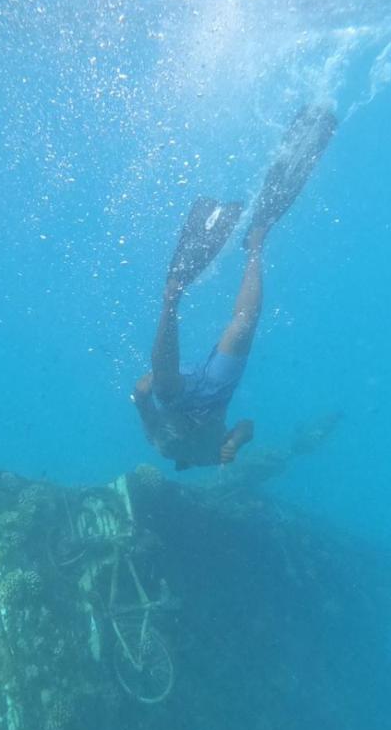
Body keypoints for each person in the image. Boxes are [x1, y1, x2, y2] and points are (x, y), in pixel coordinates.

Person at [132, 105, 338, 470]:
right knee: (244, 324)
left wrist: (142, 394)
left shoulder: (161, 446)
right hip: (214, 394)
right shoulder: (212, 457)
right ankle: (255, 243)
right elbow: (248, 426)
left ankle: (171, 299)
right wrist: (237, 442)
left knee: (164, 385)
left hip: (177, 397)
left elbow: (144, 398)